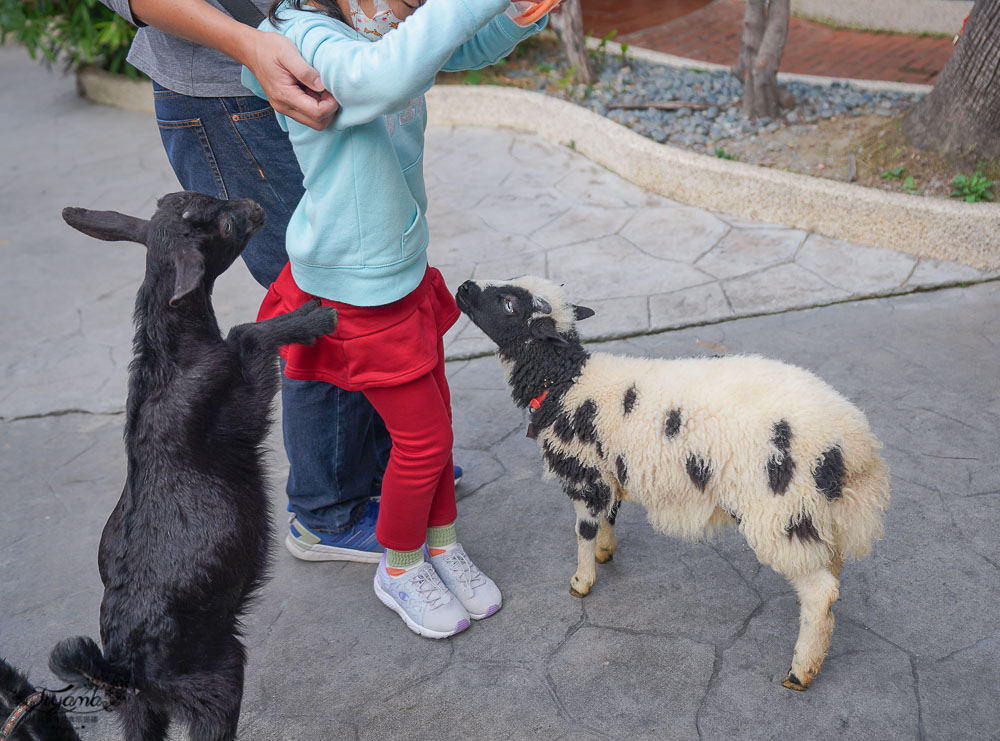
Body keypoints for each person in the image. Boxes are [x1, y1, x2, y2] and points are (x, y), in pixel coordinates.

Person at [99, 0, 462, 564]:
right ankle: (329, 514)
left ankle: (388, 467)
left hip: (306, 64)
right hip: (237, 92)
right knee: (326, 304)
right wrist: (247, 43)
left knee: (355, 295)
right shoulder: (285, 37)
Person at [246, 0, 549, 637]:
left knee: (433, 429)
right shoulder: (298, 36)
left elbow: (455, 48)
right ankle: (400, 563)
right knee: (424, 444)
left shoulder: (365, 23)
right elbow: (379, 77)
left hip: (398, 269)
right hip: (359, 290)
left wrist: (520, 15)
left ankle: (440, 545)